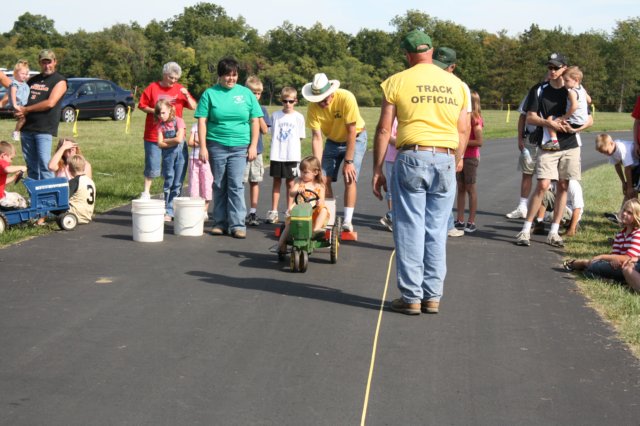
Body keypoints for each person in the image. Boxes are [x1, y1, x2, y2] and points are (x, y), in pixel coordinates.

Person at [372, 29, 469, 315]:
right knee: (437, 229)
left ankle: (412, 296)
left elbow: (382, 129)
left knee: (409, 226)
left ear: (407, 54)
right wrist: (458, 158)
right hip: (446, 157)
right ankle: (433, 296)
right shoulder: (457, 84)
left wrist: (378, 169)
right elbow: (463, 128)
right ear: (432, 51)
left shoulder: (397, 81)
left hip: (412, 155)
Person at [515, 53, 593, 248]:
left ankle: (554, 231)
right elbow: (530, 117)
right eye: (549, 67)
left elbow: (589, 119)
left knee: (563, 186)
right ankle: (526, 229)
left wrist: (575, 129)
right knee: (542, 185)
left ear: (564, 69)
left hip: (571, 145)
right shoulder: (539, 90)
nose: (551, 71)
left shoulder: (574, 89)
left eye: (555, 68)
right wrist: (550, 123)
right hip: (548, 144)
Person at [195, 57, 263, 239]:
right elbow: (202, 121)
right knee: (218, 184)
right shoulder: (210, 94)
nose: (231, 79)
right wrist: (203, 147)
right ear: (220, 76)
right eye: (227, 75)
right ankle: (220, 223)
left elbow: (255, 120)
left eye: (234, 75)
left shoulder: (246, 94)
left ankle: (237, 224)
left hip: (240, 146)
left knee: (235, 184)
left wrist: (253, 145)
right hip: (216, 144)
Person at [302, 73, 366, 232]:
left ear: (331, 93)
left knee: (349, 176)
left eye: (324, 99)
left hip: (355, 137)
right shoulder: (312, 107)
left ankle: (347, 221)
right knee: (323, 178)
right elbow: (317, 138)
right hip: (332, 141)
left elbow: (351, 130)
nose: (322, 103)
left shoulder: (346, 98)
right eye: (318, 100)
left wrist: (349, 162)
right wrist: (315, 168)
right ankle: (328, 215)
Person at [137, 62, 196, 200]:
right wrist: (158, 112)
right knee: (152, 163)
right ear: (164, 74)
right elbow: (141, 105)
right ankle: (146, 192)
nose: (174, 81)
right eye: (171, 77)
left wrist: (187, 95)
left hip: (175, 135)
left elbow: (193, 107)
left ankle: (169, 194)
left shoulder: (180, 89)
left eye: (176, 78)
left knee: (173, 167)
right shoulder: (153, 87)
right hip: (154, 134)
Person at [430, 46, 472, 238]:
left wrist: (460, 156)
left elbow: (464, 126)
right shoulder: (427, 80)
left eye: (442, 67)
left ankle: (446, 225)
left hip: (448, 147)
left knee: (441, 195)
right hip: (428, 144)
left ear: (452, 67)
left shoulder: (461, 87)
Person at [14, 49, 67, 181]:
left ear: (55, 62)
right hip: (27, 128)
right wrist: (18, 109)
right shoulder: (33, 80)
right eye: (44, 62)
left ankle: (48, 198)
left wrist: (26, 110)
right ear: (39, 63)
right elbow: (21, 96)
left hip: (44, 129)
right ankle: (35, 197)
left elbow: (50, 103)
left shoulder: (60, 81)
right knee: (31, 167)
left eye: (49, 62)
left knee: (45, 165)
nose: (46, 65)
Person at [563, 199, 640, 283]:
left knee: (594, 267)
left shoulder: (637, 234)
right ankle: (610, 279)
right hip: (619, 266)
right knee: (592, 269)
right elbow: (615, 255)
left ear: (636, 216)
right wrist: (615, 260)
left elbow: (628, 257)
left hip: (631, 267)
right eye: (624, 210)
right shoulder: (620, 235)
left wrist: (602, 256)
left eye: (629, 213)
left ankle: (583, 263)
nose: (624, 213)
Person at [267, 86, 306, 224]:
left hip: (292, 155)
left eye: (290, 101)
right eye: (285, 101)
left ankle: (289, 210)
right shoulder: (276, 116)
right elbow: (273, 134)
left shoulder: (299, 117)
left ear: (295, 101)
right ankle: (274, 211)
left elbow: (300, 136)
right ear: (281, 101)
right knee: (276, 182)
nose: (287, 104)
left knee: (290, 183)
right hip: (277, 154)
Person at [276, 156, 330, 255]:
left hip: (313, 213)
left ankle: (316, 229)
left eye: (305, 172)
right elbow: (291, 193)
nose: (302, 174)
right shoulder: (300, 183)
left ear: (315, 172)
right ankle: (280, 244)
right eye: (301, 171)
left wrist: (319, 202)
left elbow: (321, 199)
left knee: (324, 209)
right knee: (289, 225)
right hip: (299, 212)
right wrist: (297, 190)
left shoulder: (319, 186)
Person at [454, 90, 484, 233]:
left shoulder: (476, 119)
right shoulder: (461, 117)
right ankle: (459, 219)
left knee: (470, 188)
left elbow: (479, 141)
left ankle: (471, 221)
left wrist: (462, 142)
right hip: (459, 156)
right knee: (460, 187)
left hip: (470, 157)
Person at [243, 76, 272, 226]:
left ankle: (252, 212)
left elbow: (265, 130)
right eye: (252, 93)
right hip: (241, 150)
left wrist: (258, 113)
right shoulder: (241, 107)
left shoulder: (262, 110)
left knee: (254, 181)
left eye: (258, 93)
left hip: (257, 151)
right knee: (239, 182)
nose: (255, 96)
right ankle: (239, 211)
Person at [541, 66, 591, 151]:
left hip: (573, 121)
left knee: (550, 120)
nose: (564, 83)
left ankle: (554, 142)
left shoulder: (572, 92)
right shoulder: (582, 89)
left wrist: (564, 117)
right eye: (564, 80)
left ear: (576, 80)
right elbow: (589, 100)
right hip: (582, 120)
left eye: (567, 81)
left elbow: (574, 106)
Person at [155, 99, 187, 221]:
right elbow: (159, 143)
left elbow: (179, 140)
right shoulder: (160, 125)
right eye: (158, 114)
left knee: (178, 182)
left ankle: (174, 209)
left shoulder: (179, 121)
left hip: (180, 156)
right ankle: (167, 209)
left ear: (170, 110)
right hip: (168, 156)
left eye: (163, 113)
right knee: (169, 180)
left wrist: (166, 141)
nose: (161, 116)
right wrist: (170, 141)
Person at [187, 123, 213, 218]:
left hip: (207, 159)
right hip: (194, 158)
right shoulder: (195, 126)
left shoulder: (211, 126)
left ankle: (205, 209)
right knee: (194, 183)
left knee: (206, 183)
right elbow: (190, 142)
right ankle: (195, 208)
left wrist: (199, 141)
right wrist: (202, 142)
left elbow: (210, 142)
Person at [379, 118, 398, 232]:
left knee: (401, 188)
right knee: (391, 189)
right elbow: (388, 137)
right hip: (391, 157)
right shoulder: (392, 120)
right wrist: (402, 141)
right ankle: (392, 218)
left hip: (405, 156)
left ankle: (391, 217)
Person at [67, 154, 96, 224]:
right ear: (83, 167)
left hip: (75, 215)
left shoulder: (75, 181)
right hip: (87, 215)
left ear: (69, 169)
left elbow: (65, 197)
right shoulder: (90, 181)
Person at [0, 141, 28, 209]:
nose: (11, 161)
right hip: (1, 198)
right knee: (19, 201)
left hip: (2, 194)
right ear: (3, 155)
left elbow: (3, 182)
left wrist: (14, 176)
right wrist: (22, 167)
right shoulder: (1, 162)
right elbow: (8, 169)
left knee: (17, 196)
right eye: (11, 158)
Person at [7, 60, 30, 142]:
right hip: (18, 105)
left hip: (25, 105)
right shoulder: (15, 84)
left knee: (26, 119)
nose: (24, 76)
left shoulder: (25, 84)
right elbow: (13, 94)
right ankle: (16, 132)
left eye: (25, 74)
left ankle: (22, 133)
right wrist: (15, 105)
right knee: (22, 119)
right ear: (16, 73)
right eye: (22, 74)